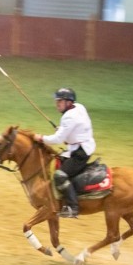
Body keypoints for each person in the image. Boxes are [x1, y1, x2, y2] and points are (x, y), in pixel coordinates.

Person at [34, 88, 96, 218]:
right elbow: (80, 128)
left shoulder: (68, 117)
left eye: (60, 101)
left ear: (69, 102)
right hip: (81, 144)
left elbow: (57, 139)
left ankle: (73, 207)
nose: (57, 104)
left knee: (60, 175)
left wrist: (41, 138)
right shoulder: (79, 107)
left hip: (81, 152)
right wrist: (65, 132)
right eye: (57, 101)